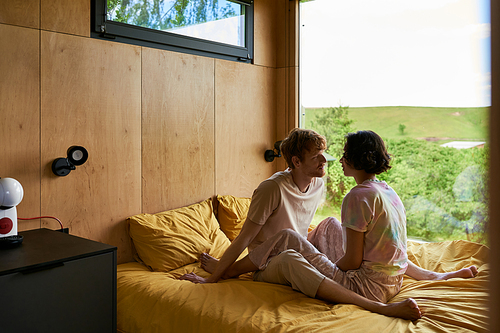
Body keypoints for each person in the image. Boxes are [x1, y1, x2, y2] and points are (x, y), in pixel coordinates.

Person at [180, 129, 474, 319]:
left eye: (334, 154)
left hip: (367, 281)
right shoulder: (383, 190)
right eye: (317, 155)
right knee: (290, 248)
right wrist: (216, 275)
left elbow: (353, 258)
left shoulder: (328, 186)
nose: (329, 160)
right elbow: (244, 238)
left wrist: (330, 262)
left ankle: (426, 282)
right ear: (296, 162)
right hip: (269, 262)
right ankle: (396, 301)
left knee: (326, 226)